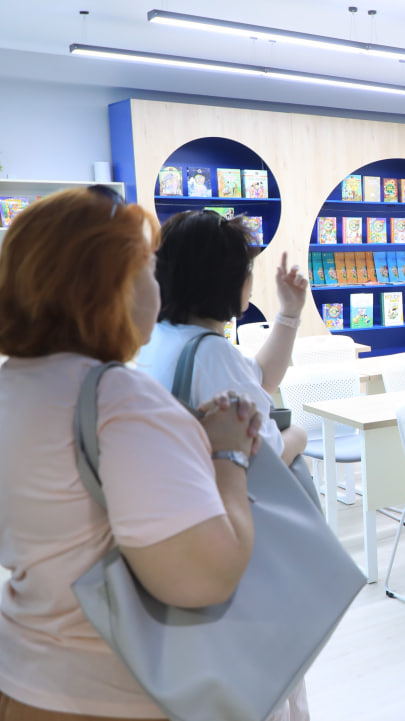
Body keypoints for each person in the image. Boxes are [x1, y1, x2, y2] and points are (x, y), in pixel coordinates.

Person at [0, 187, 273, 719]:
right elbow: (206, 578)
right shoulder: (117, 397)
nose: (158, 285)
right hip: (110, 690)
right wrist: (229, 456)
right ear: (111, 288)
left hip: (22, 672)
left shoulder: (15, 384)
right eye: (148, 270)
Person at [134, 209, 309, 468]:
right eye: (246, 268)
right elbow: (270, 457)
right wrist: (299, 435)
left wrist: (289, 313)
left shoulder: (162, 334)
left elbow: (260, 377)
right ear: (227, 279)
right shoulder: (211, 352)